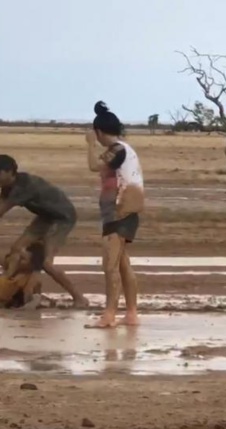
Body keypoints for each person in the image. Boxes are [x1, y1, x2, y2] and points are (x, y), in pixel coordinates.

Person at [0, 154, 89, 308]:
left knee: (44, 261)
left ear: (10, 171)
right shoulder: (8, 187)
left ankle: (79, 298)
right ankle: (20, 291)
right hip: (45, 216)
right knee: (16, 250)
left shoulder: (22, 187)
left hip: (63, 217)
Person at [84, 101, 144, 328]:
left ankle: (109, 315)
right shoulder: (123, 150)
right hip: (121, 212)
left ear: (98, 132)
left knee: (110, 265)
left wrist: (89, 145)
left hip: (120, 213)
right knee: (122, 264)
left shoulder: (118, 150)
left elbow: (93, 165)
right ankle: (130, 313)